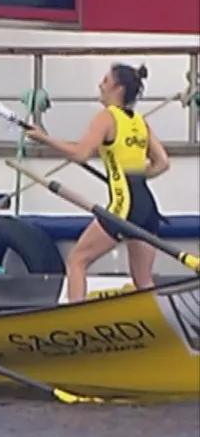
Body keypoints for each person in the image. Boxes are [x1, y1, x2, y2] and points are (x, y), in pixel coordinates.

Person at [26, 64, 169, 302]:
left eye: (105, 81)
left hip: (123, 207)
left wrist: (44, 139)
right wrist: (135, 175)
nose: (100, 86)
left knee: (77, 260)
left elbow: (81, 154)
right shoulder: (140, 122)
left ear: (118, 88)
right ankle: (163, 325)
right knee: (143, 281)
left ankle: (76, 323)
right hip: (147, 208)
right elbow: (162, 162)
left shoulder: (106, 117)